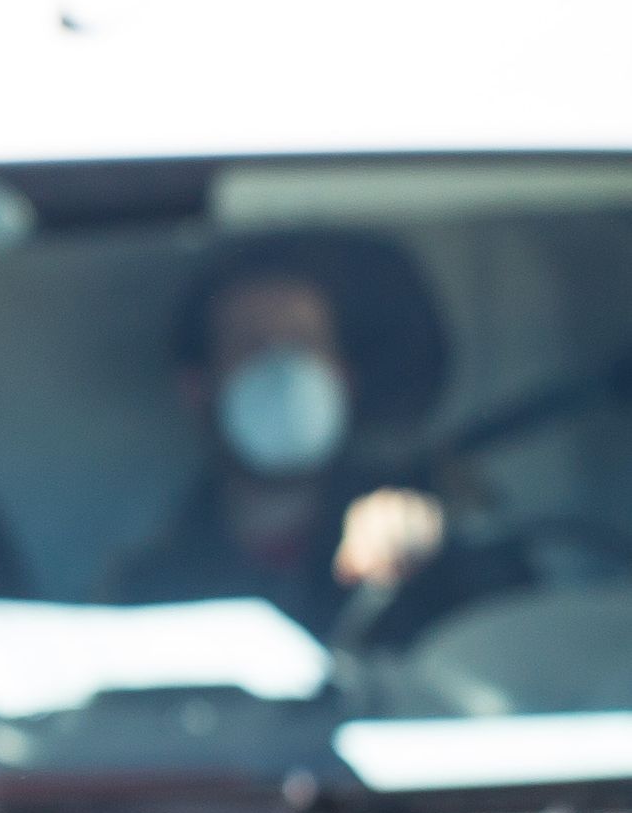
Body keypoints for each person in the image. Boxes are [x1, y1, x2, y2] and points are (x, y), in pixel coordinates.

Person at [104, 230, 523, 645]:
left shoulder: (434, 518)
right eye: (253, 345)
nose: (284, 370)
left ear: (342, 379)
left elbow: (516, 637)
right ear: (198, 388)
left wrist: (434, 542)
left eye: (303, 342)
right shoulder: (152, 587)